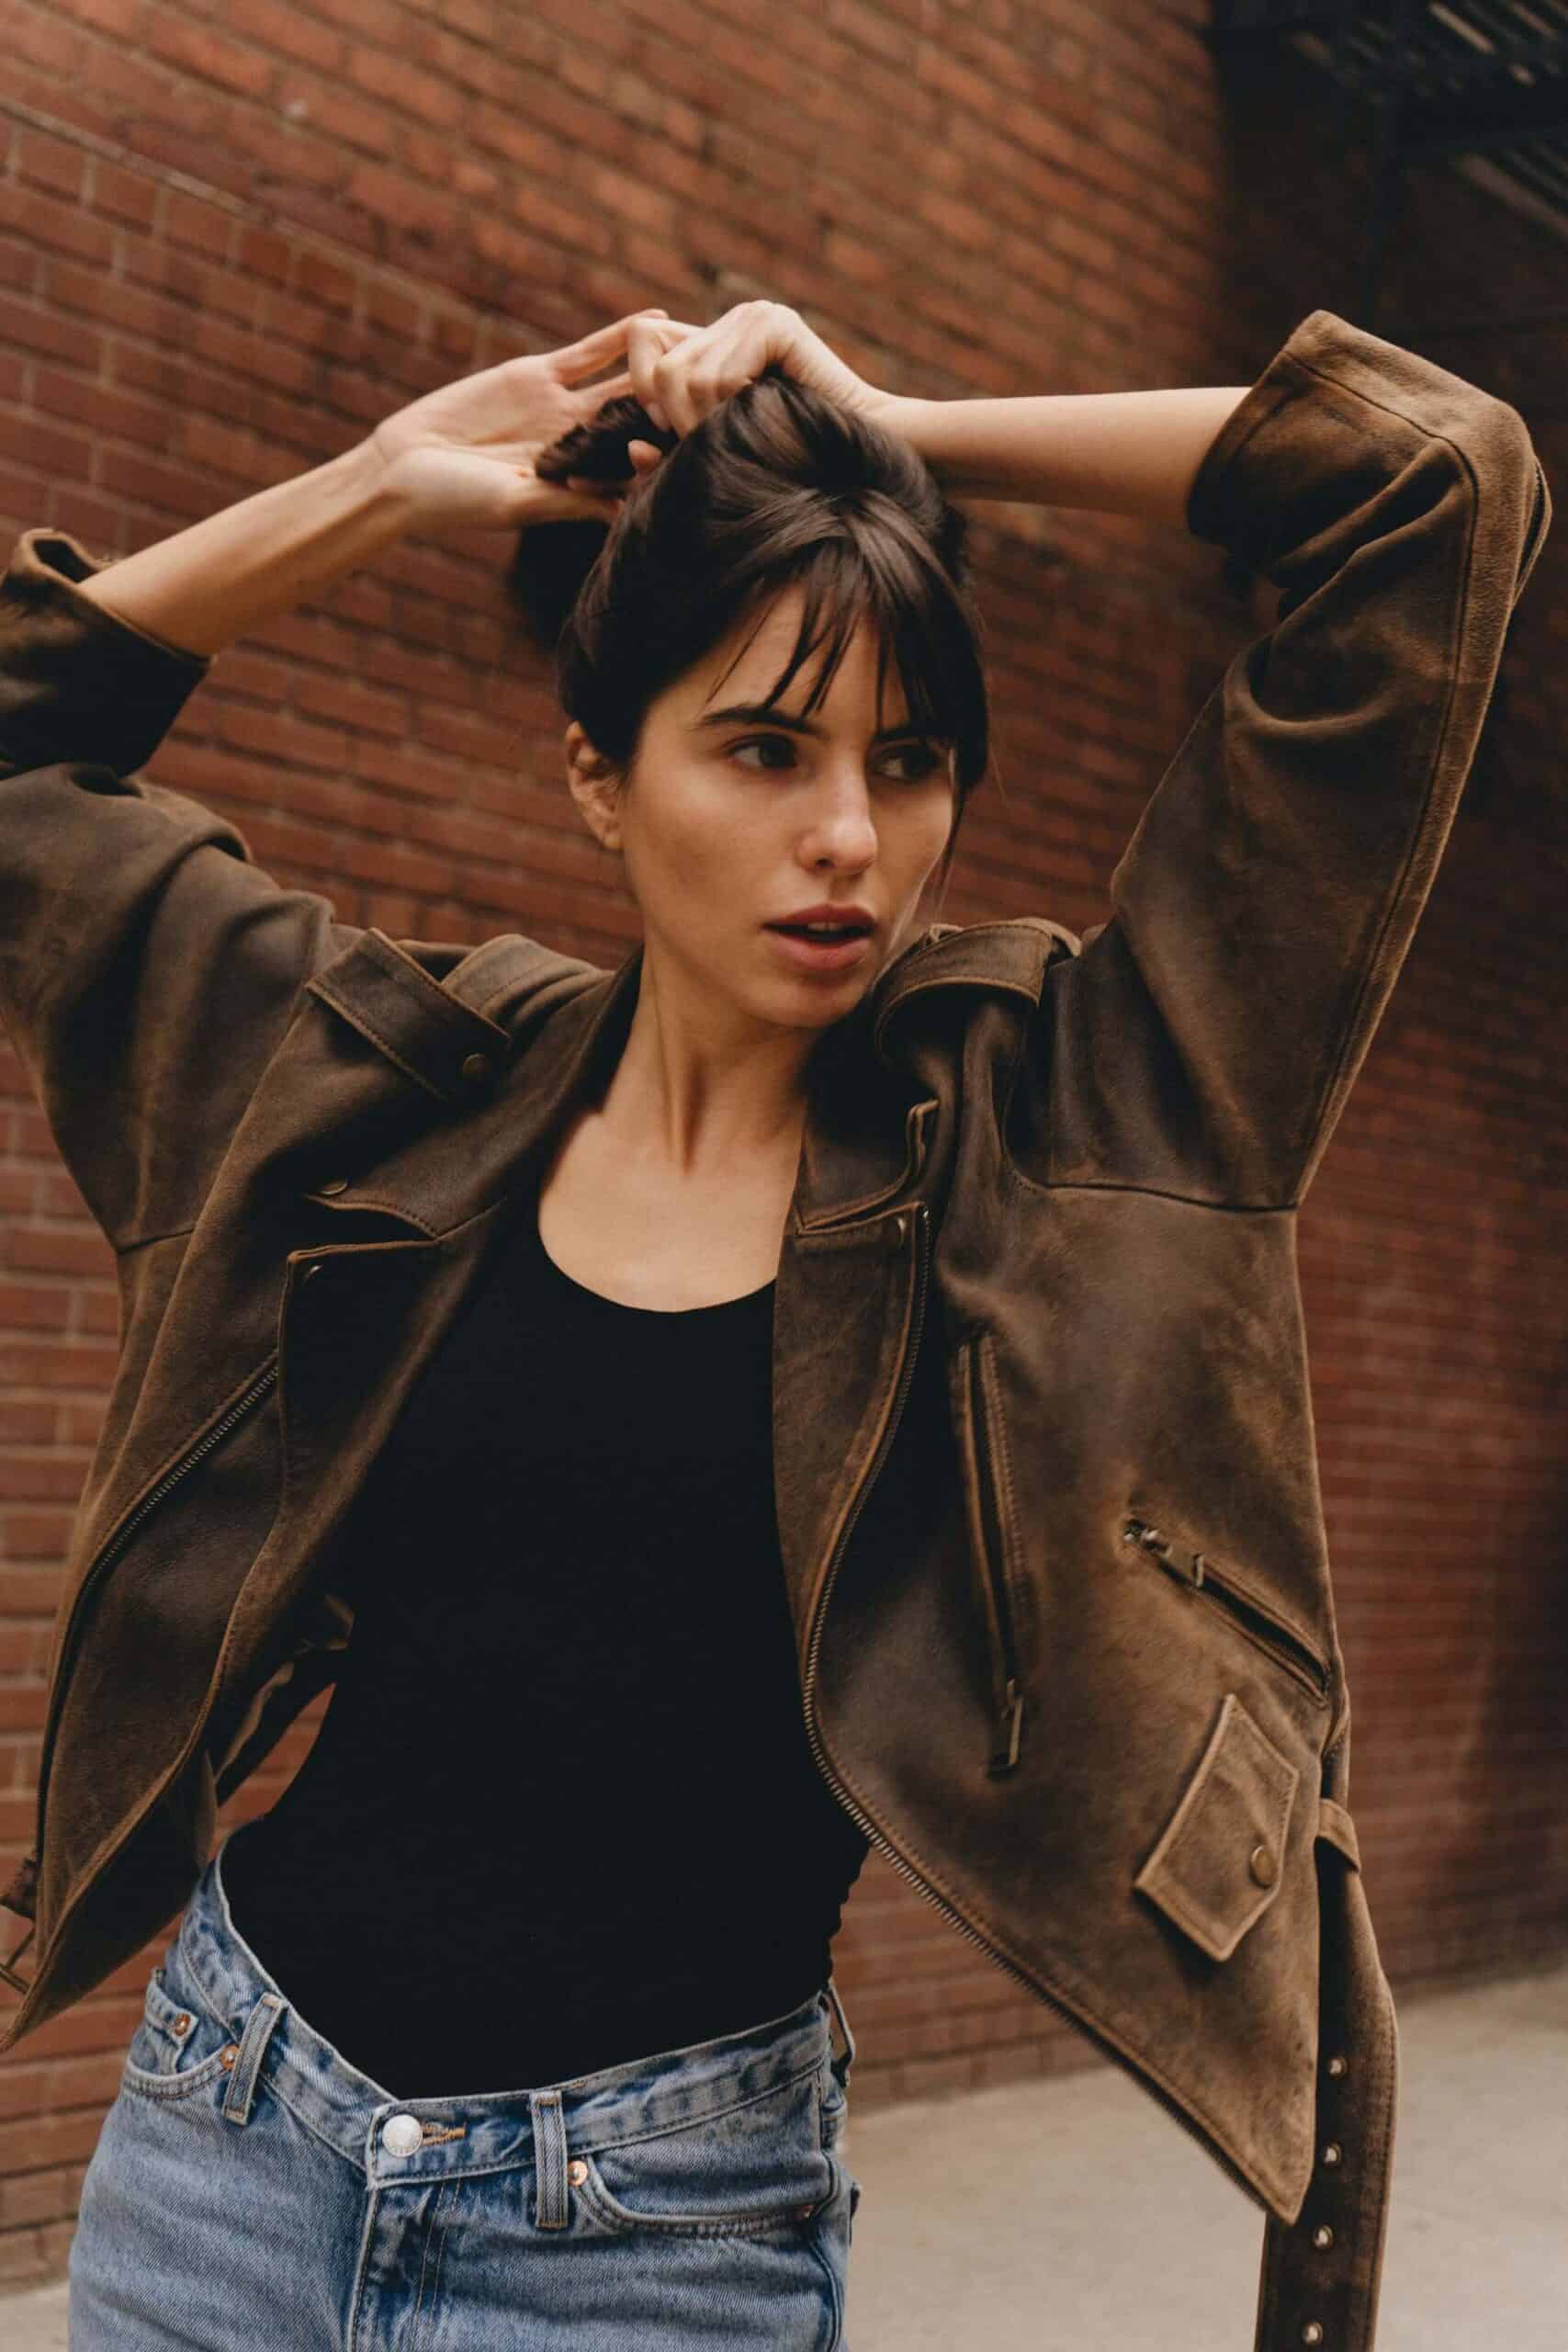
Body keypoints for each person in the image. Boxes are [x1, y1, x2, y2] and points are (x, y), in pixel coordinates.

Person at [0, 300, 1549, 2351]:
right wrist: (384, 481)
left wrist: (896, 429)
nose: (848, 837)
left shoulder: (1065, 1135)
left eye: (904, 762)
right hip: (227, 2139)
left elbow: (1429, 482)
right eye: (760, 747)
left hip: (654, 2230)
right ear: (597, 778)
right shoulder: (383, 1088)